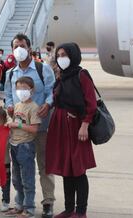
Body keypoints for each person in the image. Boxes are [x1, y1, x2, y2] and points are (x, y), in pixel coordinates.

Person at [4, 33, 56, 218]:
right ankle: (22, 203)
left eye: (22, 45)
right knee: (19, 170)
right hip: (20, 132)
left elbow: (52, 91)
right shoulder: (11, 73)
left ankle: (48, 202)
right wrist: (9, 106)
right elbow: (8, 95)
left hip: (40, 127)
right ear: (12, 50)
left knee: (44, 166)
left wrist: (48, 104)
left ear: (29, 48)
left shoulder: (43, 69)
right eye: (15, 46)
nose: (19, 49)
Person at [46, 43, 97, 218]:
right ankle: (69, 209)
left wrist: (84, 125)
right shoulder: (61, 76)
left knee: (78, 169)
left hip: (76, 127)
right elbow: (57, 99)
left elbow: (91, 103)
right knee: (66, 168)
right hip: (60, 126)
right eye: (59, 55)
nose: (61, 58)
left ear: (73, 55)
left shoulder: (82, 75)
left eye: (65, 54)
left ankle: (81, 211)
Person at [4, 76, 41, 218]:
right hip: (14, 144)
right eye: (18, 88)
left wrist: (18, 125)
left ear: (31, 90)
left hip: (25, 146)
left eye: (24, 88)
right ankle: (19, 205)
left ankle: (29, 208)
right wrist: (9, 121)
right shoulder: (18, 105)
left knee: (27, 179)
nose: (21, 91)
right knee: (16, 179)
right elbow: (14, 121)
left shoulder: (34, 107)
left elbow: (34, 129)